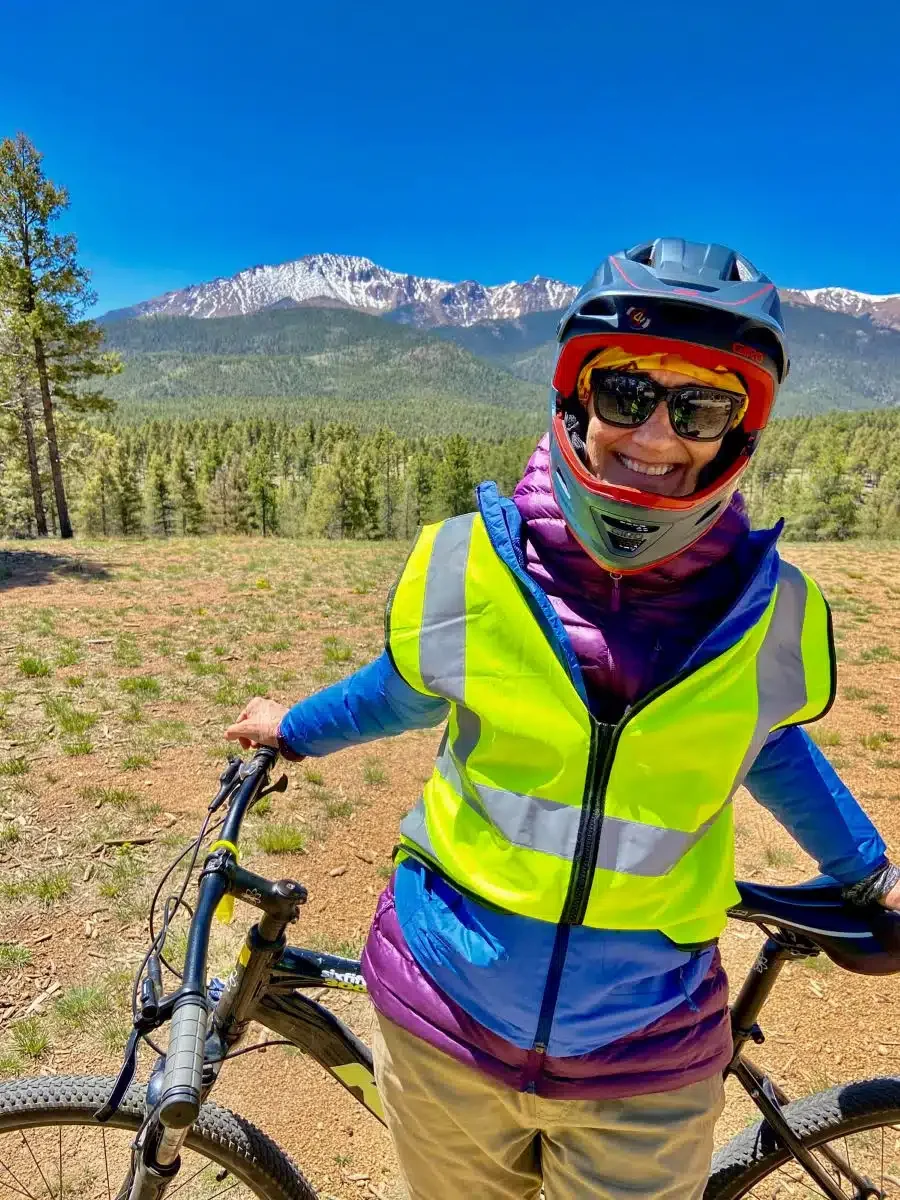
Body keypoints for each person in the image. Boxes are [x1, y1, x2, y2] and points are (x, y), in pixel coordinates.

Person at [226, 238, 900, 1200]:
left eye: (700, 406)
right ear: (578, 395)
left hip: (645, 1064)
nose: (657, 437)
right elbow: (397, 690)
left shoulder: (776, 616)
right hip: (444, 1023)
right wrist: (291, 724)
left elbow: (772, 750)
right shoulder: (467, 569)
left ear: (738, 432)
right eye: (627, 392)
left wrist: (869, 879)